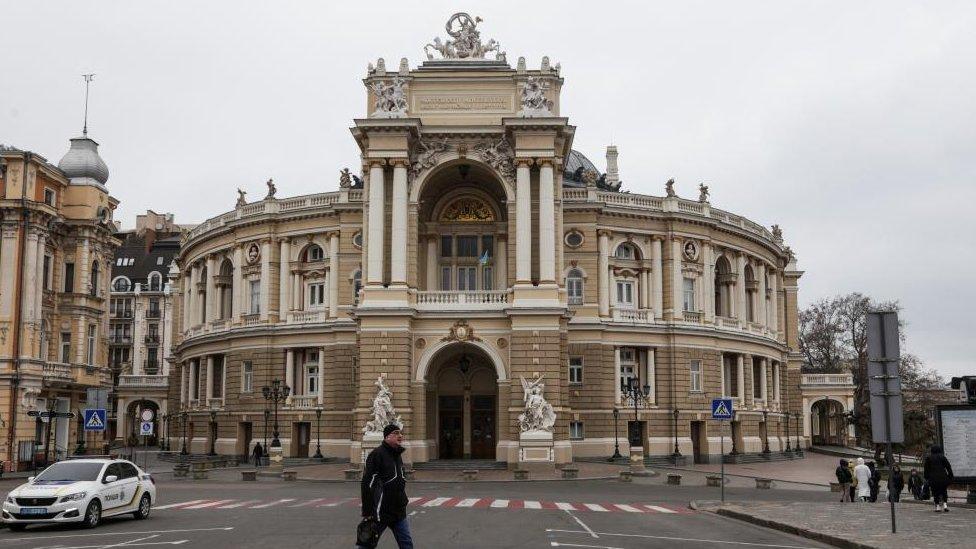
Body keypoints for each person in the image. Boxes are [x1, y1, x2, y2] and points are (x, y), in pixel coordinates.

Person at [359, 424, 412, 548]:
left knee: (407, 544)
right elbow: (367, 483)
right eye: (396, 433)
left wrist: (403, 500)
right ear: (387, 437)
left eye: (400, 433)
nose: (400, 436)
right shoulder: (377, 454)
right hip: (380, 512)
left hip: (398, 511)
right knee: (366, 545)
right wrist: (367, 510)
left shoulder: (397, 455)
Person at [924, 444, 954, 512]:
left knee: (935, 492)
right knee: (944, 491)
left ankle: (937, 506)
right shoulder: (942, 457)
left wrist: (927, 477)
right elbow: (948, 467)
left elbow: (926, 469)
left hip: (933, 478)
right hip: (943, 477)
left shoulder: (929, 458)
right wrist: (950, 476)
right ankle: (945, 505)